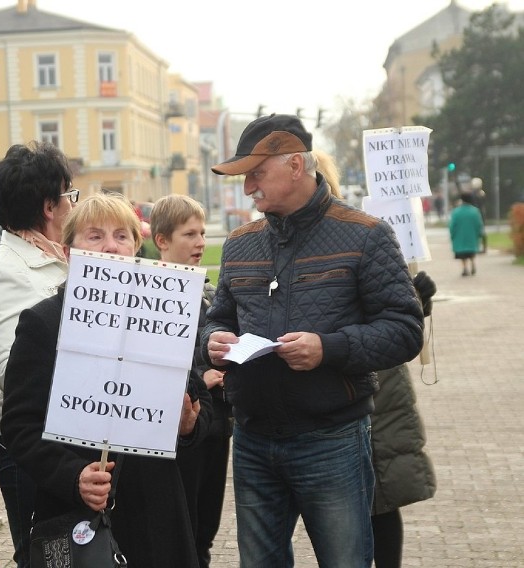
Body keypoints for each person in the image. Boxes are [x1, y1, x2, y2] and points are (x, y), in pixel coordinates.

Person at [204, 114, 424, 567]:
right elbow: (219, 315)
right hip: (252, 437)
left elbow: (405, 329)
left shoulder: (365, 235)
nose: (248, 188)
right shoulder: (240, 244)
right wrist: (213, 339)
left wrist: (329, 348)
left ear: (295, 167)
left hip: (332, 439)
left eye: (256, 174)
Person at [1, 193, 212, 567]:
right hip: (82, 518)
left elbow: (200, 403)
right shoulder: (43, 323)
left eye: (122, 236)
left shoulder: (166, 315)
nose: (111, 246)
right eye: (94, 236)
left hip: (158, 516)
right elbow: (20, 426)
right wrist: (73, 476)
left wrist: (189, 424)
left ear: (136, 247)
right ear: (69, 252)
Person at [315, 149, 437, 568]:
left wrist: (416, 296)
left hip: (378, 385)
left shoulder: (363, 236)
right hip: (327, 390)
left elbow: (392, 313)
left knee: (381, 495)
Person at [0, 141, 75, 567]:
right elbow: (7, 368)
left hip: (72, 434)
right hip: (31, 446)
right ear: (50, 206)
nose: (74, 206)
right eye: (70, 197)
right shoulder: (2, 269)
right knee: (46, 553)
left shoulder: (68, 256)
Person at [150, 194, 232, 568]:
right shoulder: (148, 297)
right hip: (175, 435)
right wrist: (201, 377)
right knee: (178, 534)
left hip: (215, 429)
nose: (200, 243)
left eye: (202, 233)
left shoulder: (209, 292)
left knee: (204, 533)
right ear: (162, 241)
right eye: (189, 234)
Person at [449, 192, 485, 276]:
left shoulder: (456, 212)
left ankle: (465, 268)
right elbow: (479, 224)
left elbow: (452, 225)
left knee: (462, 254)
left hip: (460, 237)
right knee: (471, 252)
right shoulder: (475, 211)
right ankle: (472, 262)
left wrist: (452, 235)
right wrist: (479, 234)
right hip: (472, 237)